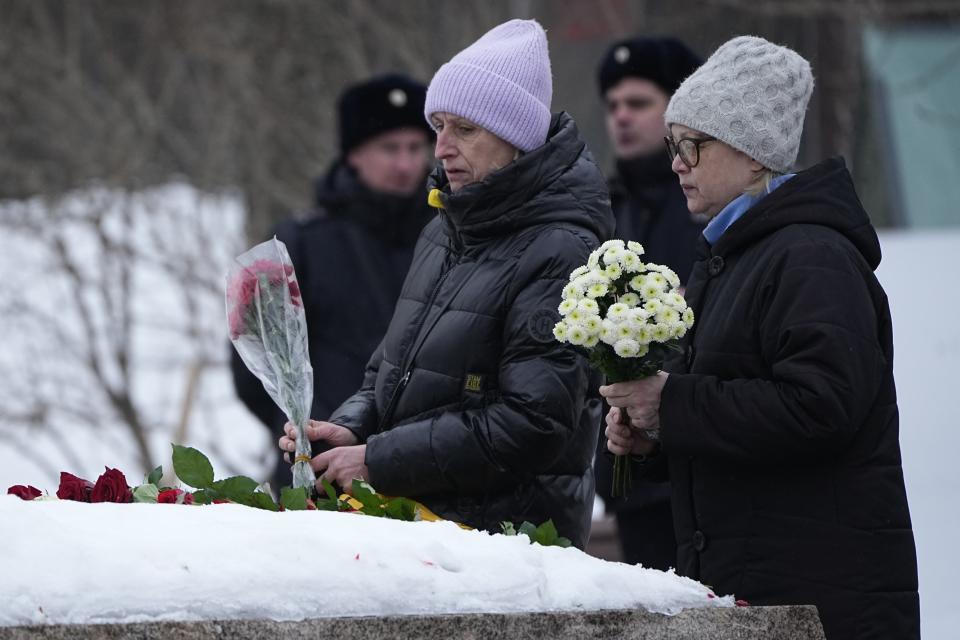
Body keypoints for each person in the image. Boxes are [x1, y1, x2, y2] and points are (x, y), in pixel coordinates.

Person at [601, 36, 919, 639]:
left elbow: (820, 408)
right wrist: (653, 440)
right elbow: (741, 417)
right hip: (768, 593)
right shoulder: (738, 256)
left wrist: (670, 405)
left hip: (822, 602)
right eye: (673, 145)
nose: (677, 163)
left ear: (754, 154)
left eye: (693, 144)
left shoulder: (810, 256)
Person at [279, 19, 614, 549]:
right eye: (438, 125)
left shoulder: (562, 249)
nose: (440, 149)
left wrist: (377, 460)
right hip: (426, 530)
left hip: (506, 546)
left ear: (515, 136)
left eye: (464, 129)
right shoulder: (443, 229)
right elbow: (387, 375)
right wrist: (349, 429)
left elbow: (531, 424)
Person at [232, 73, 435, 490]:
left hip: (425, 471)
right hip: (320, 478)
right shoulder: (299, 243)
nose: (405, 163)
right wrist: (303, 432)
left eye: (416, 148)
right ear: (353, 155)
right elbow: (252, 361)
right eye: (389, 148)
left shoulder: (448, 236)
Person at [593, 35, 704, 570]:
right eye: (613, 106)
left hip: (697, 458)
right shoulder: (605, 210)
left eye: (638, 103)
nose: (621, 117)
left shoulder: (709, 209)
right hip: (629, 467)